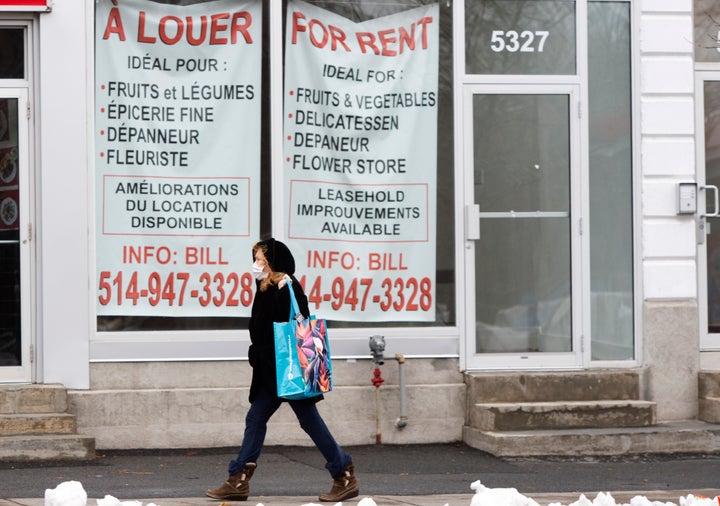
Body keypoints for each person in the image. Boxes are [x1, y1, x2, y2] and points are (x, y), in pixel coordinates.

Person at [206, 238, 359, 502]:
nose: (255, 265)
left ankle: (343, 474)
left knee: (308, 420)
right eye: (254, 259)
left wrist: (264, 348)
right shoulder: (265, 287)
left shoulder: (286, 288)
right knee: (256, 418)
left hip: (288, 370)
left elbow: (295, 327)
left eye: (260, 260)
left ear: (273, 263)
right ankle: (239, 479)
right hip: (273, 371)